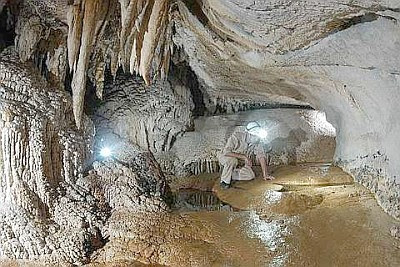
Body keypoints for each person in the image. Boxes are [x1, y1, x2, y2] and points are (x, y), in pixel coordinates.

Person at [218, 121, 274, 189]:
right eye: (255, 136)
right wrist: (244, 157)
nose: (257, 138)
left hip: (240, 161)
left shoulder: (257, 141)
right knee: (233, 160)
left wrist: (265, 175)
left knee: (250, 175)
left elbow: (261, 156)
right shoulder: (237, 136)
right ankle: (224, 182)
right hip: (226, 157)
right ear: (249, 134)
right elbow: (226, 152)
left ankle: (229, 174)